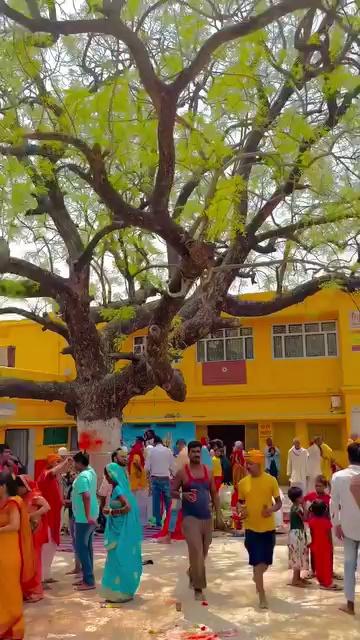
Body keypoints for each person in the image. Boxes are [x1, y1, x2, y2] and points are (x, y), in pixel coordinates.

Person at [172, 440, 223, 601]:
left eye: (198, 452)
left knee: (204, 550)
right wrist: (182, 495)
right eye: (193, 452)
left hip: (206, 517)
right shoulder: (182, 472)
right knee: (196, 551)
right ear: (189, 454)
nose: (196, 454)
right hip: (190, 518)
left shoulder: (208, 471)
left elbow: (214, 493)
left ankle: (192, 571)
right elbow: (171, 491)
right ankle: (198, 588)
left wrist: (219, 514)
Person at [238, 450, 282, 609]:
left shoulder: (271, 481)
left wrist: (270, 510)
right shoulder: (243, 483)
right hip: (251, 528)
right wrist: (241, 511)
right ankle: (262, 596)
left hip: (268, 529)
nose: (247, 466)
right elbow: (240, 502)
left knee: (265, 564)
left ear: (258, 464)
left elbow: (278, 503)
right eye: (246, 463)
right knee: (257, 563)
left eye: (250, 464)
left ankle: (257, 577)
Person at [101, 456, 142, 603]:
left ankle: (120, 592)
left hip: (119, 533)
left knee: (118, 559)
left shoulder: (118, 489)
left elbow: (127, 507)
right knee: (119, 559)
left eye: (106, 474)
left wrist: (112, 512)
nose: (105, 477)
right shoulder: (120, 488)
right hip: (118, 529)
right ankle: (122, 591)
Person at [0, 472, 36, 640]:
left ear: (4, 486)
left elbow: (14, 526)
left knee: (10, 587)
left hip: (9, 553)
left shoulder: (14, 502)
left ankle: (12, 624)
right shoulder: (2, 503)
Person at [331, 442, 360, 615]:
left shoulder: (338, 476)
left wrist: (337, 524)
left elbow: (333, 503)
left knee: (349, 564)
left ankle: (350, 605)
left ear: (348, 457)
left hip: (348, 526)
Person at [37, 453, 71, 583]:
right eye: (57, 462)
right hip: (47, 518)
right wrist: (65, 462)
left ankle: (47, 575)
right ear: (51, 463)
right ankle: (40, 578)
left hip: (56, 516)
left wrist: (64, 502)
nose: (59, 465)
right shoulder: (45, 475)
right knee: (46, 546)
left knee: (52, 546)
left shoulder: (56, 479)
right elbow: (54, 471)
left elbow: (58, 497)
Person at [16, 475, 50, 602]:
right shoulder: (21, 497)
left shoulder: (35, 496)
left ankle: (36, 591)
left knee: (35, 561)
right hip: (26, 532)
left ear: (25, 486)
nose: (18, 489)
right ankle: (27, 590)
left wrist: (31, 515)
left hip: (35, 532)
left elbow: (47, 507)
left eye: (19, 487)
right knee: (27, 561)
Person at [72, 451, 99, 591]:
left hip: (84, 517)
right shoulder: (91, 472)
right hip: (90, 514)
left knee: (81, 547)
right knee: (87, 546)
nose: (73, 465)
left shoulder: (83, 477)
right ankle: (87, 577)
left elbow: (86, 496)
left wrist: (88, 516)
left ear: (79, 463)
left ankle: (89, 581)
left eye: (74, 462)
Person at [157, 439, 188, 544]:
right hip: (182, 489)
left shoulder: (181, 457)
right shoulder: (182, 456)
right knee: (175, 513)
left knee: (174, 512)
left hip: (181, 489)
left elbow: (175, 472)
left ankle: (170, 535)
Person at [145, 435, 174, 528]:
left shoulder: (151, 451)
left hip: (155, 478)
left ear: (154, 442)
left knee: (156, 502)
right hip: (166, 478)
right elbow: (172, 466)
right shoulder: (168, 451)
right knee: (168, 502)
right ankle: (169, 521)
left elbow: (147, 468)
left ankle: (157, 522)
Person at [308, 500, 337, 590]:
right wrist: (331, 546)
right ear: (324, 510)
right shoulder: (327, 522)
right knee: (327, 564)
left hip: (316, 545)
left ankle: (321, 580)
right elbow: (329, 536)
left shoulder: (311, 521)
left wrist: (311, 543)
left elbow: (312, 533)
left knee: (318, 563)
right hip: (325, 545)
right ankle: (327, 583)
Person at [287, 485, 309, 587]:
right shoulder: (297, 509)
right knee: (297, 555)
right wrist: (305, 507)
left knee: (299, 555)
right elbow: (305, 518)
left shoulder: (294, 507)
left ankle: (298, 577)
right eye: (301, 496)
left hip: (297, 533)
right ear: (297, 498)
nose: (303, 498)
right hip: (297, 534)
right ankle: (295, 579)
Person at [64, 471, 81, 576]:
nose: (72, 476)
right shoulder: (71, 487)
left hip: (76, 516)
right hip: (73, 515)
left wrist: (63, 501)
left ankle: (78, 567)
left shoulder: (78, 486)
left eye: (74, 474)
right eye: (71, 475)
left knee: (78, 542)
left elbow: (76, 501)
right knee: (76, 541)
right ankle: (78, 566)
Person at [128, 438, 148, 526]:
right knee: (140, 503)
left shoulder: (133, 455)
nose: (142, 449)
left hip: (134, 482)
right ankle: (140, 521)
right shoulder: (137, 455)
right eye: (141, 448)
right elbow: (136, 463)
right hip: (138, 482)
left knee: (134, 502)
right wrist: (140, 469)